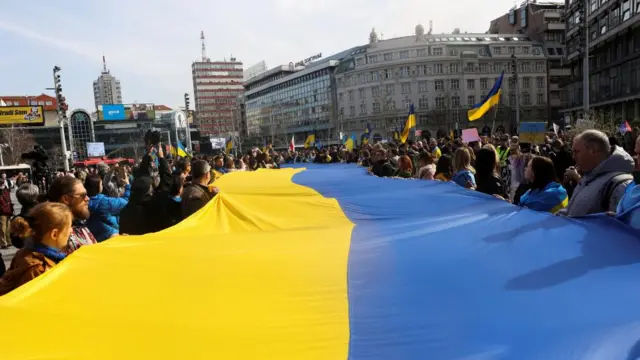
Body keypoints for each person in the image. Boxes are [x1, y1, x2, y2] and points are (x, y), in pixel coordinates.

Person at [0, 202, 73, 295]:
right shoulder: (38, 270)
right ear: (54, 234)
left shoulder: (25, 253)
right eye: (69, 227)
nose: (71, 230)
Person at [558, 130, 634, 216]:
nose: (573, 157)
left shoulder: (620, 185)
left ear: (593, 151)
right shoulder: (589, 176)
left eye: (577, 152)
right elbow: (571, 211)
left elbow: (617, 226)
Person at [46, 176, 97, 254]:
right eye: (83, 195)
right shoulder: (58, 236)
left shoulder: (79, 224)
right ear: (66, 199)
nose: (87, 198)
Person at [86, 173, 130, 242]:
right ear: (97, 186)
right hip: (111, 236)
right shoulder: (104, 202)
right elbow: (125, 202)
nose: (102, 185)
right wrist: (127, 185)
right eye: (100, 184)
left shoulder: (84, 202)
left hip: (94, 238)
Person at [9, 183, 40, 248]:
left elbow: (16, 242)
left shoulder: (17, 219)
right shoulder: (47, 212)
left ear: (19, 200)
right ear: (37, 196)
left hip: (26, 254)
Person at [0, 180, 13, 249]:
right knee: (2, 228)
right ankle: (3, 243)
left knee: (8, 228)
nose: (2, 185)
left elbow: (9, 200)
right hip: (1, 212)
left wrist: (11, 209)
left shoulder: (6, 191)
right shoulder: (2, 191)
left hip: (8, 211)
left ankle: (8, 241)